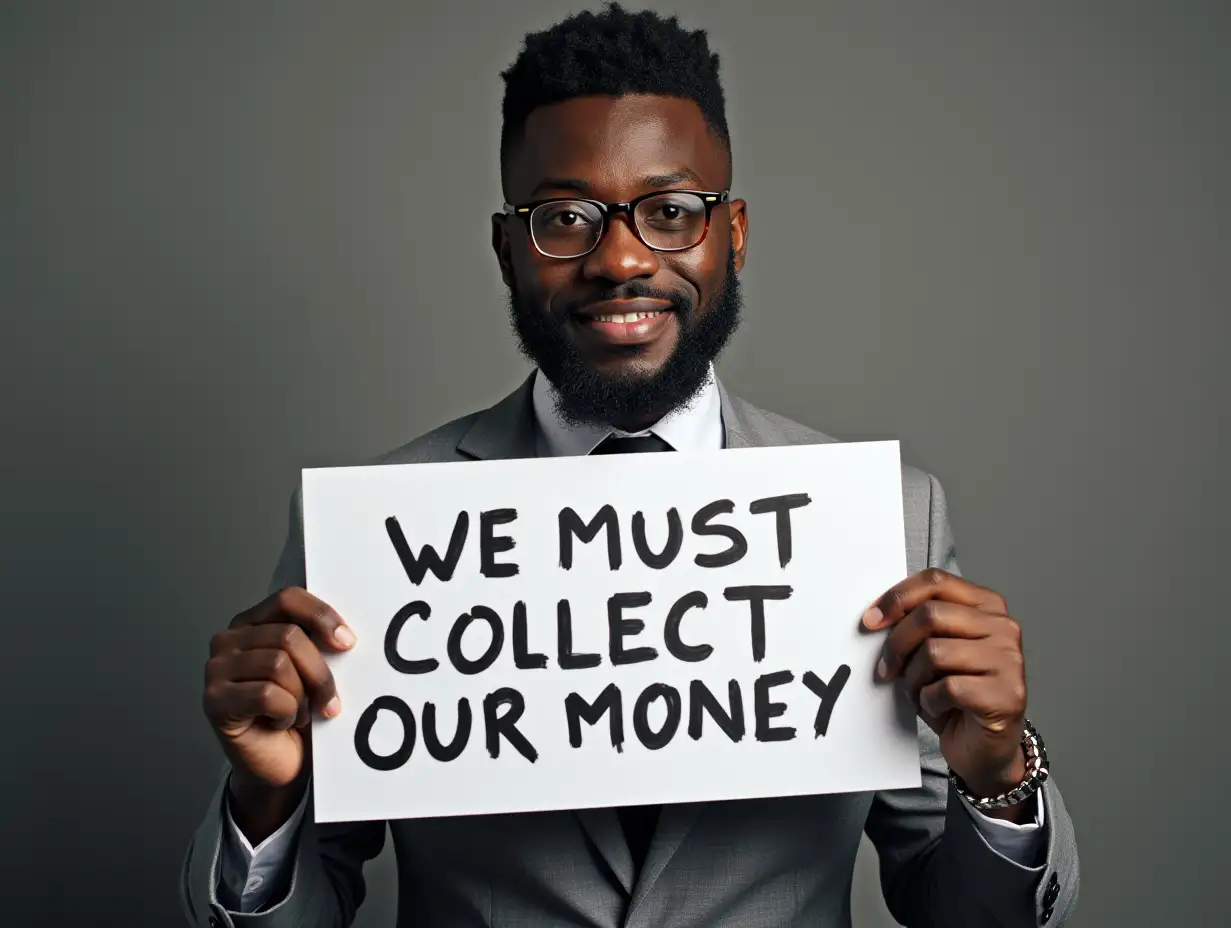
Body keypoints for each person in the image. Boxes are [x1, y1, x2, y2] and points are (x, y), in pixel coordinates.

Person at [181, 5, 1078, 926]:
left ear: (730, 233)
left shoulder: (884, 517)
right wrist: (267, 802)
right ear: (507, 250)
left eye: (670, 212)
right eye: (564, 216)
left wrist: (1000, 773)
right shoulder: (378, 533)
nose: (619, 258)